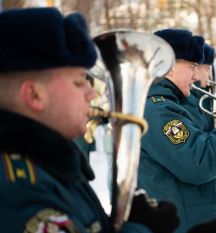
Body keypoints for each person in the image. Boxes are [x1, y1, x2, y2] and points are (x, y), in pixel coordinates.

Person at [0, 8, 179, 233]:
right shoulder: (18, 188)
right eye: (78, 82)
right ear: (35, 95)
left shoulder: (53, 164)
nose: (91, 94)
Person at [137, 28, 216, 233]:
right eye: (192, 66)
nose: (196, 75)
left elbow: (206, 142)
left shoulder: (175, 103)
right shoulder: (158, 111)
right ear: (169, 66)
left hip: (195, 219)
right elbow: (199, 162)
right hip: (183, 224)